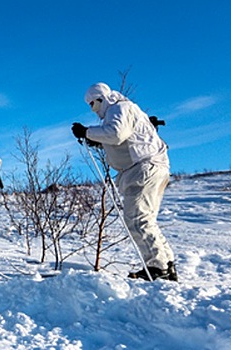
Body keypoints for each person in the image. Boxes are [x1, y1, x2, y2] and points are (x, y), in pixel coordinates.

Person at [72, 82, 178, 282]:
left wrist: (87, 132)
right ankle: (166, 264)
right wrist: (96, 139)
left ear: (101, 99)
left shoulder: (118, 107)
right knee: (145, 220)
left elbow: (116, 134)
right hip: (150, 167)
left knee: (137, 219)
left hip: (143, 169)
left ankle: (158, 267)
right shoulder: (124, 109)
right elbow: (121, 138)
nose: (94, 110)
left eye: (93, 105)